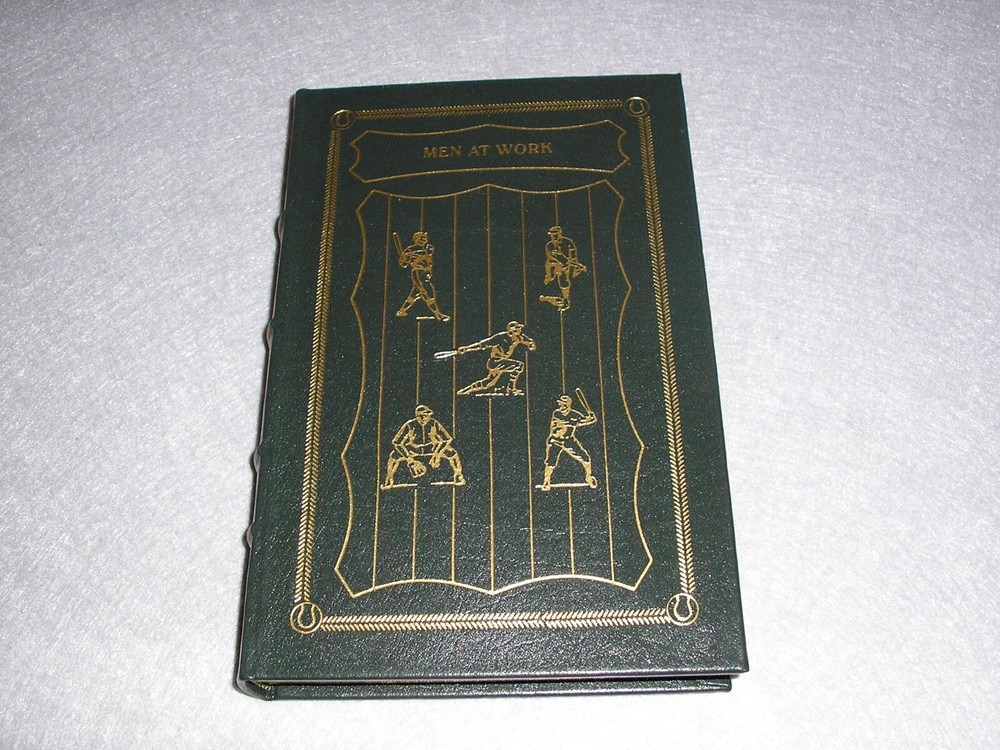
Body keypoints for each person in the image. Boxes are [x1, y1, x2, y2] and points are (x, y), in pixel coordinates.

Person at [382, 404, 465, 489]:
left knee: (452, 453)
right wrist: (409, 459)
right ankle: (389, 477)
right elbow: (397, 443)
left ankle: (458, 474)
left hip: (431, 448)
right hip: (413, 450)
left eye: (426, 415)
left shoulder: (434, 423)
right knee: (394, 456)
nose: (423, 418)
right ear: (416, 416)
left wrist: (437, 454)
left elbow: (447, 439)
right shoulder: (410, 425)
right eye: (420, 416)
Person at [455, 320, 537, 396]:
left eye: (519, 329)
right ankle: (510, 388)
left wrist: (531, 345)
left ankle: (465, 390)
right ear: (512, 331)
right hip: (495, 362)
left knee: (488, 383)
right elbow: (482, 344)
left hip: (502, 361)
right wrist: (467, 348)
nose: (520, 331)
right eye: (517, 329)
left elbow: (529, 341)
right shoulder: (500, 337)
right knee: (519, 365)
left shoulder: (519, 337)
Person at [540, 393, 598, 491]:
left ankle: (589, 477)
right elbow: (566, 422)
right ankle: (546, 481)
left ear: (567, 405)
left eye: (562, 404)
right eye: (560, 404)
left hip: (569, 440)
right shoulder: (557, 413)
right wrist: (585, 420)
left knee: (586, 458)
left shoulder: (574, 414)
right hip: (556, 441)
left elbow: (582, 421)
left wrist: (591, 418)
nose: (560, 406)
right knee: (550, 462)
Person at [394, 231, 450, 322]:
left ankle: (402, 311)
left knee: (415, 294)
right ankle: (438, 315)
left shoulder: (428, 248)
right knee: (427, 293)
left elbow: (429, 259)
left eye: (425, 238)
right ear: (415, 239)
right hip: (418, 272)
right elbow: (404, 264)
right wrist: (403, 258)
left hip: (425, 273)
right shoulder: (410, 250)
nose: (424, 240)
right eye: (421, 238)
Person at [539, 225, 586, 312]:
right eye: (552, 234)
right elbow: (553, 259)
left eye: (555, 234)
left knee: (564, 280)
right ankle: (549, 276)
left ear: (560, 234)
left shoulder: (568, 242)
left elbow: (573, 257)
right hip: (555, 264)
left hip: (567, 265)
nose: (553, 236)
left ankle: (566, 300)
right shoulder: (549, 245)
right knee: (552, 265)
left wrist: (575, 265)